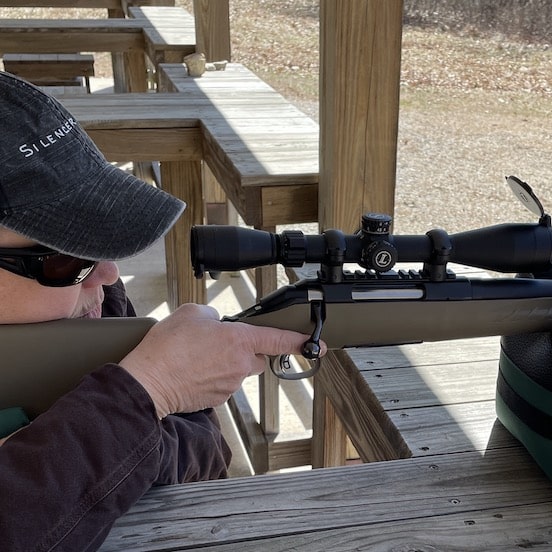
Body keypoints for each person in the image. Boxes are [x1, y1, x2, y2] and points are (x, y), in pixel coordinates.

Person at [0, 71, 324, 550]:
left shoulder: (90, 308)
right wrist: (144, 394)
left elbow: (205, 449)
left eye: (98, 243)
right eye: (63, 256)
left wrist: (92, 435)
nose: (108, 274)